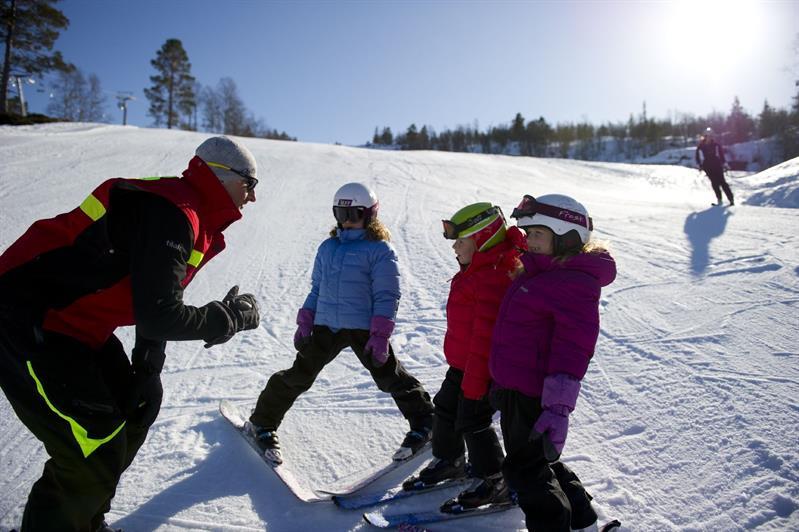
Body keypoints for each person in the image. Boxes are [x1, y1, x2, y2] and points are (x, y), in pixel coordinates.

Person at [0, 135, 262, 532]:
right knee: (93, 446)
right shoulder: (174, 212)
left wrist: (147, 366)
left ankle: (84, 519)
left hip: (77, 327)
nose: (252, 197)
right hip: (26, 318)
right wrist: (229, 318)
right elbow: (160, 315)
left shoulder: (190, 214)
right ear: (223, 176)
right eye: (251, 184)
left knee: (139, 404)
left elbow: (154, 296)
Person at [246, 182, 434, 465]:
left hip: (364, 329)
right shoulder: (328, 247)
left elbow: (387, 294)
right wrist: (305, 320)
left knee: (391, 378)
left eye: (354, 214)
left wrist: (381, 335)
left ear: (369, 214)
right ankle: (262, 422)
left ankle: (426, 423)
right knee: (298, 375)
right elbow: (317, 288)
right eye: (340, 213)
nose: (346, 221)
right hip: (326, 326)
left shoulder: (379, 250)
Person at [489, 194, 616, 532]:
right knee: (537, 460)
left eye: (537, 235)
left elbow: (573, 347)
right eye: (527, 233)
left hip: (536, 395)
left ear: (565, 236)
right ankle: (583, 517)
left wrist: (558, 408)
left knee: (525, 471)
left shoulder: (572, 283)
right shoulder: (537, 271)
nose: (528, 240)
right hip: (515, 389)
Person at [401, 202, 525, 512]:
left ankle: (495, 478)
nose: (454, 248)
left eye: (461, 241)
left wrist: (474, 383)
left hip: (482, 370)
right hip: (463, 364)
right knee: (444, 407)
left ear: (483, 239)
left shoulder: (493, 277)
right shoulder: (477, 270)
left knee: (473, 420)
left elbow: (484, 339)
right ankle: (450, 460)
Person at [695, 127, 734, 206]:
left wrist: (725, 164)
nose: (709, 138)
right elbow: (698, 156)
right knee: (714, 183)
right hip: (707, 167)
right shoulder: (701, 146)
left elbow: (721, 155)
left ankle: (731, 200)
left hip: (717, 165)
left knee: (722, 182)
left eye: (711, 136)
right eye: (708, 136)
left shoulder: (716, 145)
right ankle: (719, 200)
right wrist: (700, 165)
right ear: (705, 136)